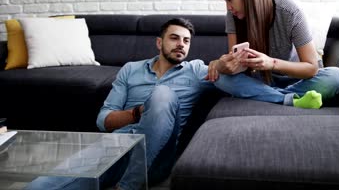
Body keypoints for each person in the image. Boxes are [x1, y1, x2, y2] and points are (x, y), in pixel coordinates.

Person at [26, 18, 215, 190]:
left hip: (158, 156)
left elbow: (243, 88)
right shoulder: (131, 69)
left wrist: (228, 63)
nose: (181, 44)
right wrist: (138, 113)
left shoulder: (196, 71)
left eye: (186, 41)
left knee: (162, 94)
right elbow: (103, 120)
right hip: (116, 147)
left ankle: (128, 186)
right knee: (39, 186)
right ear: (159, 42)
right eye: (174, 38)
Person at [206, 0, 339, 108]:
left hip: (295, 79)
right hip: (258, 81)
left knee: (337, 77)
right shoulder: (233, 15)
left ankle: (267, 96)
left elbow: (311, 68)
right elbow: (235, 67)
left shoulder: (289, 11)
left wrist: (271, 63)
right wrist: (223, 65)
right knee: (220, 77)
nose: (228, 7)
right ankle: (290, 100)